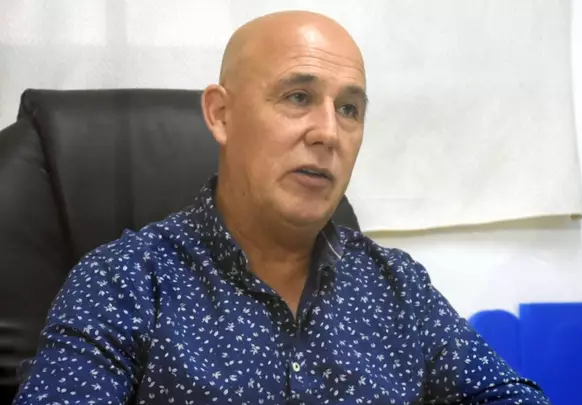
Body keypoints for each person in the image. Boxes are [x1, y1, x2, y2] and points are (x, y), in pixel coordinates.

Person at [12, 10, 550, 405]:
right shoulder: (124, 283)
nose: (328, 132)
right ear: (221, 115)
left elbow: (509, 395)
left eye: (349, 109)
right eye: (298, 97)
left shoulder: (396, 287)